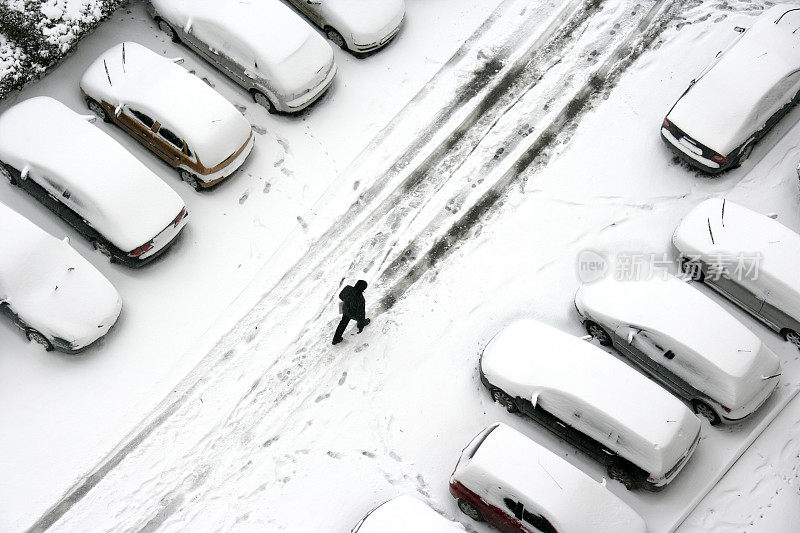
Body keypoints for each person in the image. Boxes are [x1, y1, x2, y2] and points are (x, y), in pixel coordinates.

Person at [332, 280, 370, 345]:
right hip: (353, 314)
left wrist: (347, 300)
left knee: (343, 322)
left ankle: (336, 339)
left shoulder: (348, 288)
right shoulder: (361, 299)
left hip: (345, 309)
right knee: (360, 315)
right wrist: (360, 326)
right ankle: (361, 323)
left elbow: (340, 296)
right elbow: (361, 314)